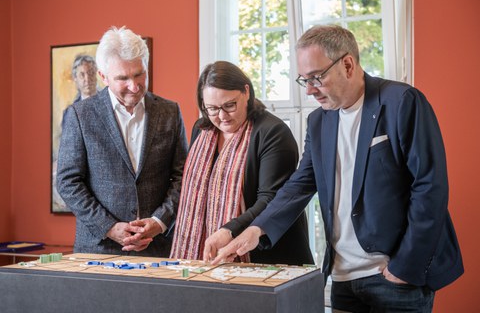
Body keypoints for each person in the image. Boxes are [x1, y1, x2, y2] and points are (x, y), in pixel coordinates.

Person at [210, 25, 464, 312]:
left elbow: (429, 186)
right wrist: (255, 230)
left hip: (395, 278)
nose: (309, 90)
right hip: (342, 278)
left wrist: (406, 266)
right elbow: (300, 184)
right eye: (303, 80)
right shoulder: (319, 122)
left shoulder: (402, 102)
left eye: (316, 77)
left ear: (347, 64)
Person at [56, 26, 188, 257]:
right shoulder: (80, 115)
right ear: (103, 77)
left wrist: (159, 221)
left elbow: (183, 176)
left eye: (139, 74)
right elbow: (68, 182)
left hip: (158, 250)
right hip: (97, 251)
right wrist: (108, 227)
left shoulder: (169, 112)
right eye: (122, 78)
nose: (134, 86)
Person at [170, 61, 313, 265]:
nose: (221, 116)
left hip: (267, 258)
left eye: (229, 105)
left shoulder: (272, 132)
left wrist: (230, 229)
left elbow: (270, 199)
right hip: (208, 258)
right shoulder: (201, 130)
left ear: (246, 92)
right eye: (211, 108)